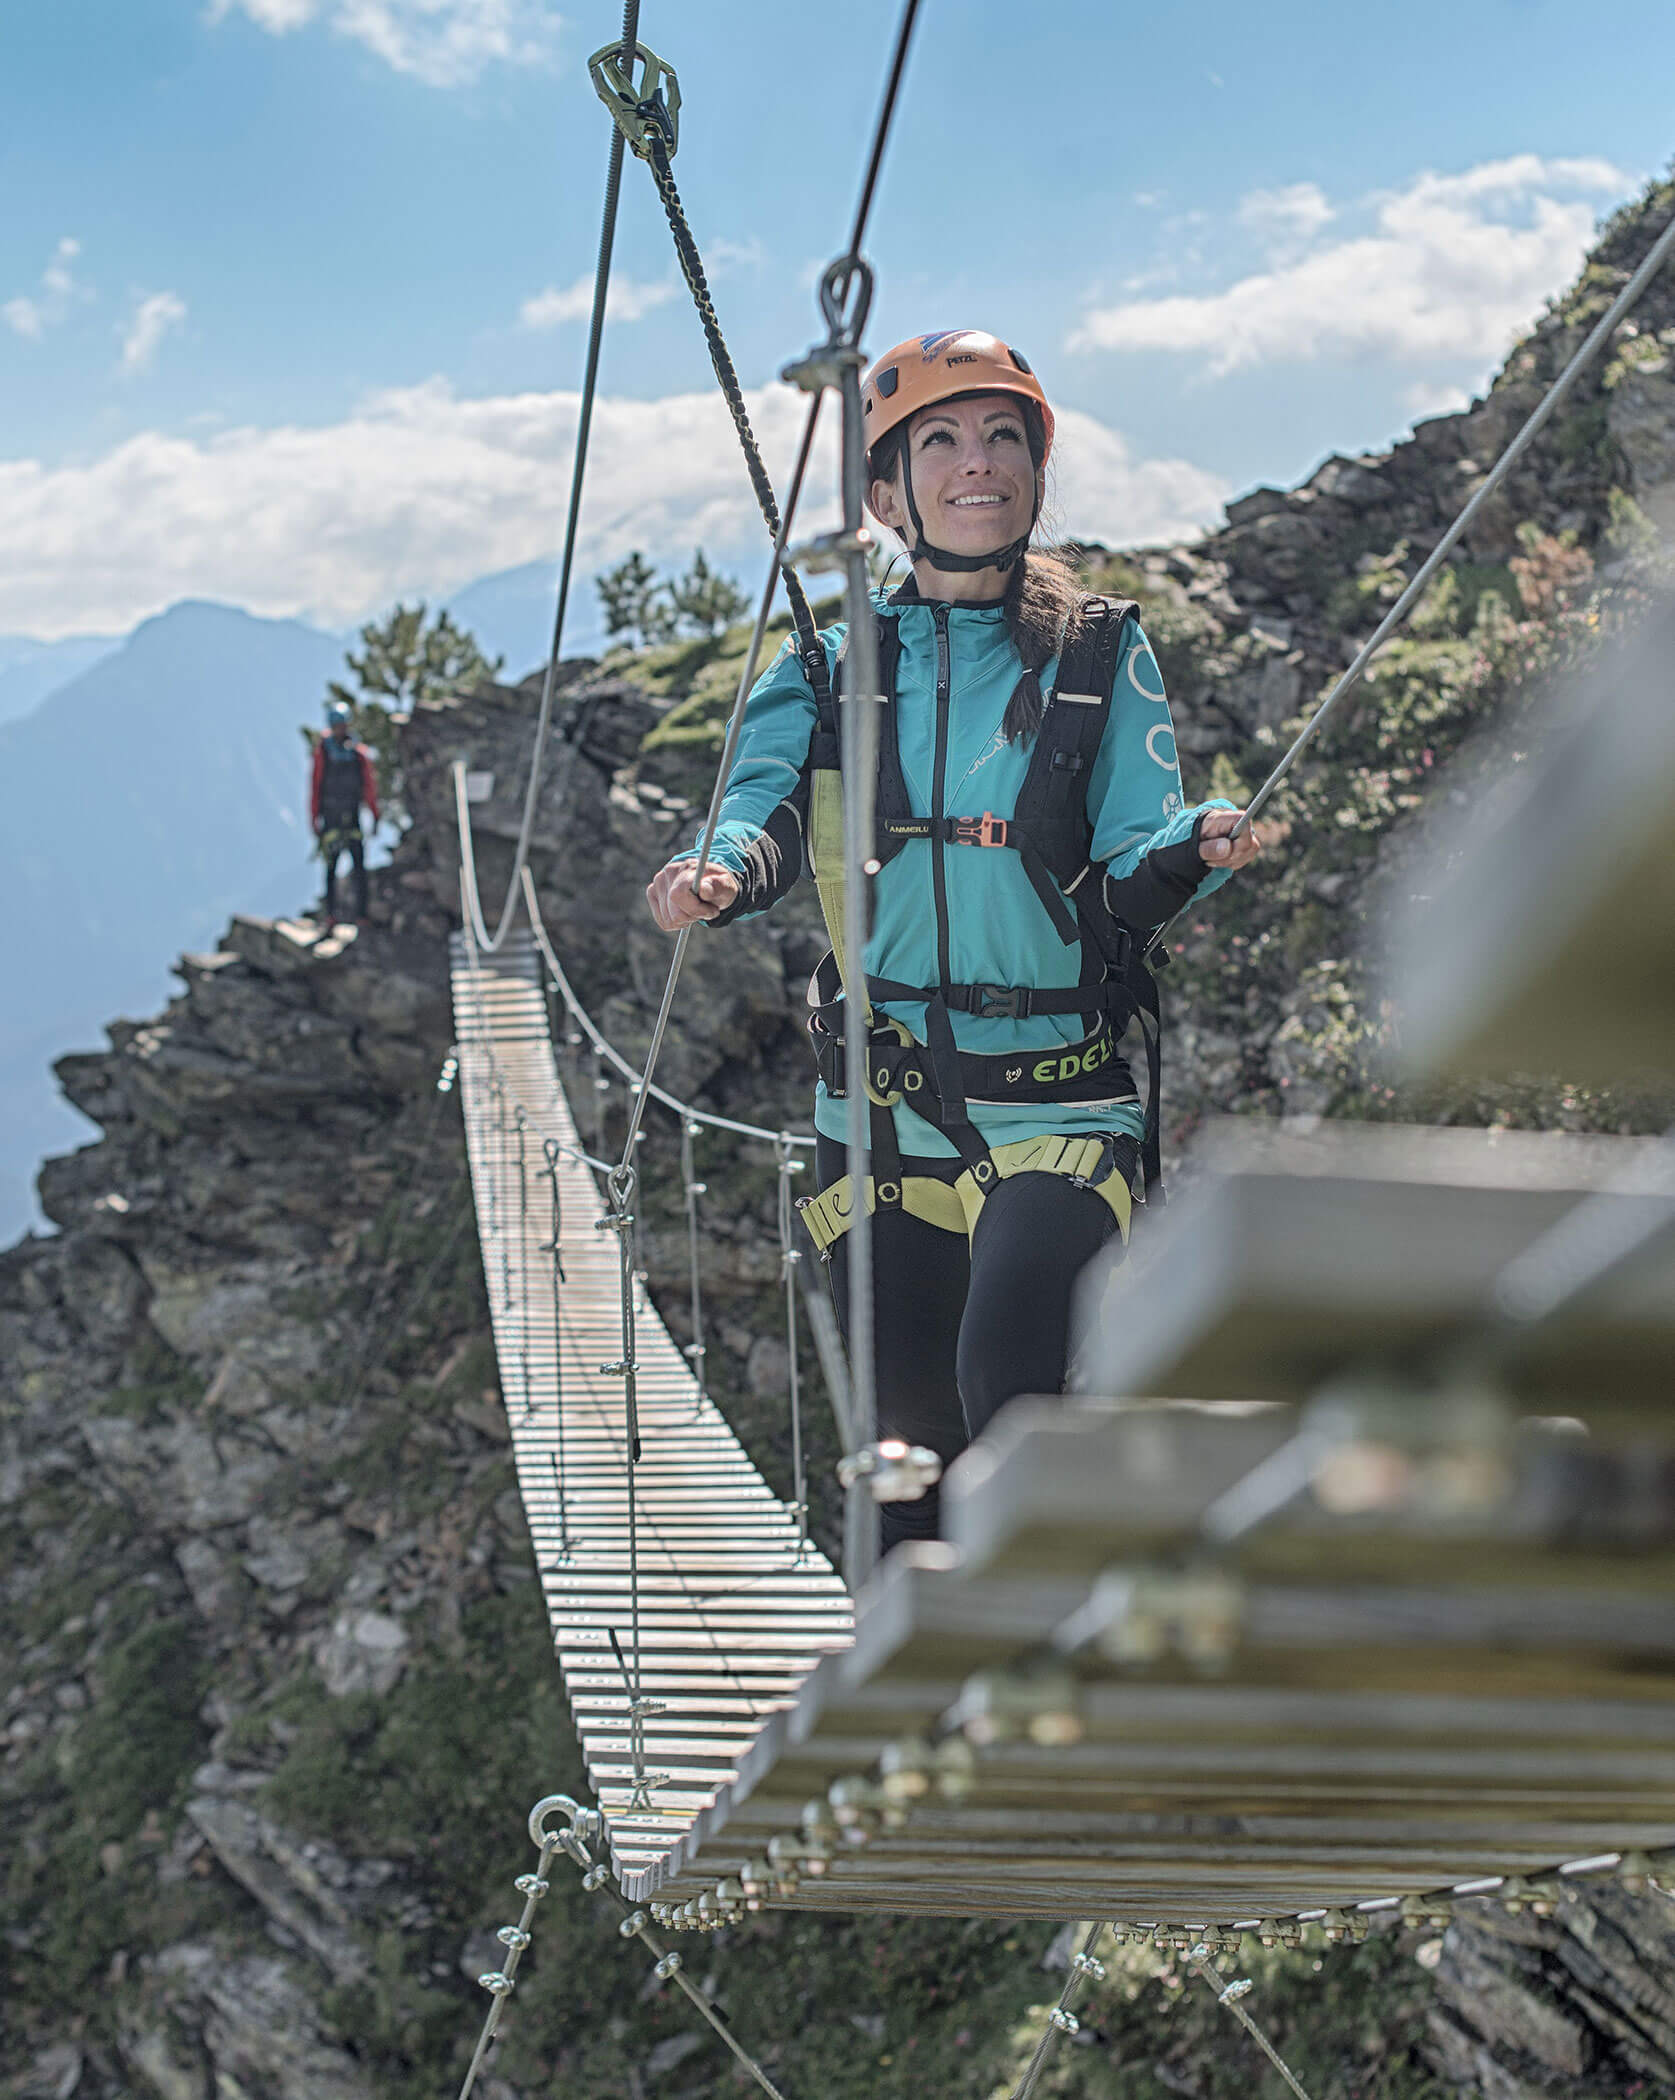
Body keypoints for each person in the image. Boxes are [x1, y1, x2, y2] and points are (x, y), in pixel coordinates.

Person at [645, 331, 1263, 1550]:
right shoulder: (825, 669)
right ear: (886, 498)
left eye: (1000, 437)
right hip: (879, 1116)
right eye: (939, 440)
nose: (975, 461)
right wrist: (718, 873)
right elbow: (761, 810)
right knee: (904, 1462)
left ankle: (1052, 1637)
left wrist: (1194, 844)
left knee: (1012, 1381)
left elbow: (1131, 862)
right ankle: (906, 1663)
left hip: (1059, 1104)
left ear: (1034, 472)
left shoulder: (1098, 652)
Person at [310, 701, 380, 925]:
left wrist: (375, 813)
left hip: (351, 817)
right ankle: (331, 915)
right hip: (331, 817)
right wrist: (314, 817)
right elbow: (316, 785)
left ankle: (361, 915)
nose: (340, 729)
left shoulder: (358, 754)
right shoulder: (324, 753)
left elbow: (368, 785)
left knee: (358, 866)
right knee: (331, 866)